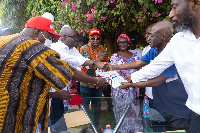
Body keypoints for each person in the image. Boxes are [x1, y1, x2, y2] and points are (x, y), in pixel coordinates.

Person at [0, 16, 108, 133]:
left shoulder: (5, 40)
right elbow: (65, 71)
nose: (50, 40)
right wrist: (96, 81)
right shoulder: (32, 46)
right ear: (37, 32)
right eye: (48, 36)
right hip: (10, 109)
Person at [109, 21, 192, 131]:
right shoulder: (154, 50)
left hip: (177, 109)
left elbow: (157, 81)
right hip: (161, 105)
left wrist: (132, 84)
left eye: (151, 35)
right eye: (147, 35)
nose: (147, 38)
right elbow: (138, 63)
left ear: (163, 37)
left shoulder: (175, 54)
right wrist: (113, 67)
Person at [48, 25, 109, 128]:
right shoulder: (55, 48)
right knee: (53, 124)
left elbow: (80, 62)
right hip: (53, 95)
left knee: (61, 123)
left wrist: (100, 70)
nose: (76, 39)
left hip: (63, 93)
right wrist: (95, 67)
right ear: (63, 37)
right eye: (73, 37)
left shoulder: (71, 49)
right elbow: (70, 61)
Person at [110, 34, 142, 132]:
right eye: (120, 42)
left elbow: (139, 70)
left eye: (125, 42)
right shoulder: (114, 57)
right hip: (120, 90)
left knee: (135, 112)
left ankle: (135, 130)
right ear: (118, 44)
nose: (122, 44)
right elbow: (113, 72)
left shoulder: (135, 57)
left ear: (128, 43)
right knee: (122, 113)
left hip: (133, 88)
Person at [79, 28, 108, 133]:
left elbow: (105, 64)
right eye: (93, 38)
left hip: (98, 84)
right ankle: (84, 125)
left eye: (97, 38)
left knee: (97, 105)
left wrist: (105, 77)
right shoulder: (83, 49)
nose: (95, 40)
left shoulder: (103, 49)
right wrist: (98, 65)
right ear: (89, 39)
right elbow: (87, 65)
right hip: (85, 83)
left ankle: (96, 125)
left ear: (100, 39)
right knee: (85, 105)